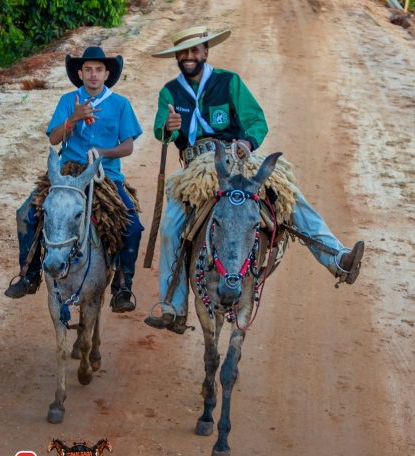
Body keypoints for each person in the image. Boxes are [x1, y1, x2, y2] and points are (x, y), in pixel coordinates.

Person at [144, 26, 365, 331]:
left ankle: (337, 258)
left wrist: (247, 142)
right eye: (184, 52)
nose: (190, 57)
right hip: (196, 167)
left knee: (288, 194)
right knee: (170, 227)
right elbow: (161, 130)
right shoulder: (170, 91)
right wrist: (168, 127)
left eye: (195, 51)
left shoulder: (229, 81)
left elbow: (256, 120)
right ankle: (173, 305)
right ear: (178, 57)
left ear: (206, 52)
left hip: (237, 157)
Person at [4, 46, 144, 312]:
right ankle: (30, 274)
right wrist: (73, 119)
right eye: (88, 70)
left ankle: (122, 287)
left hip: (105, 175)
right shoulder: (68, 100)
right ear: (80, 73)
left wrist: (103, 152)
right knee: (26, 214)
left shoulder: (120, 104)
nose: (93, 75)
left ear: (106, 74)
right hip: (67, 172)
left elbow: (127, 146)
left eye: (99, 70)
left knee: (133, 226)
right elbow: (54, 138)